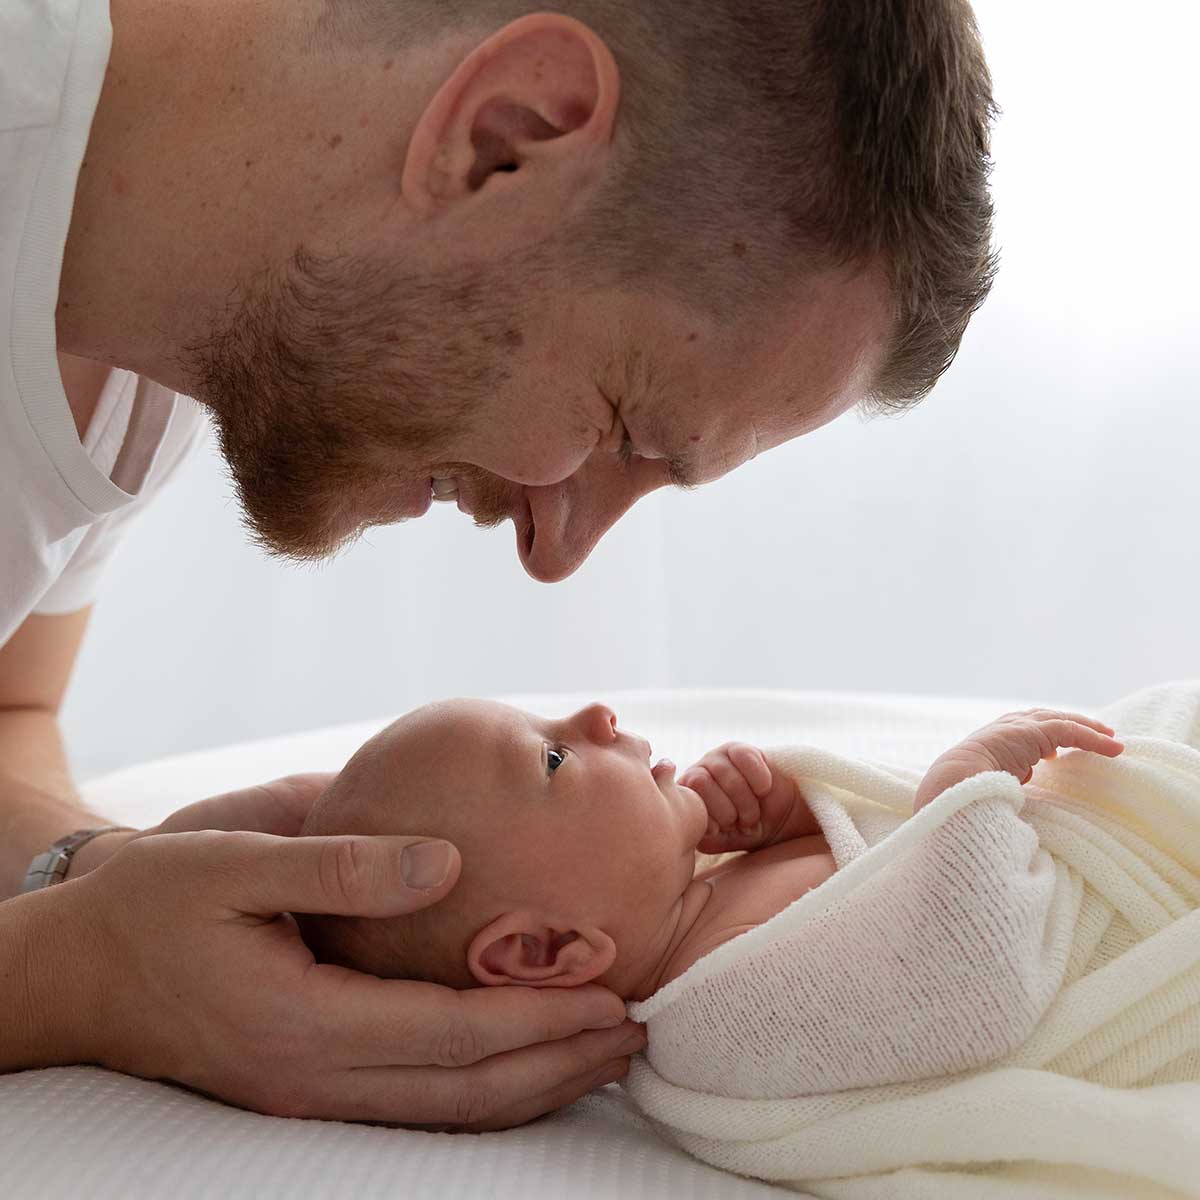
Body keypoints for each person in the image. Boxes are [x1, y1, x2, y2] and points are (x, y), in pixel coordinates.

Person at [0, 0, 997, 1127]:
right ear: (503, 140)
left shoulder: (144, 337)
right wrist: (67, 978)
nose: (556, 552)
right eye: (625, 429)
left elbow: (7, 712)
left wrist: (102, 876)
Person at [293, 699, 1127, 997]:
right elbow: (968, 964)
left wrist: (795, 814)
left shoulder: (703, 909)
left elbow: (866, 856)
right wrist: (963, 786)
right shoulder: (726, 999)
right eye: (552, 757)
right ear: (540, 949)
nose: (596, 716)